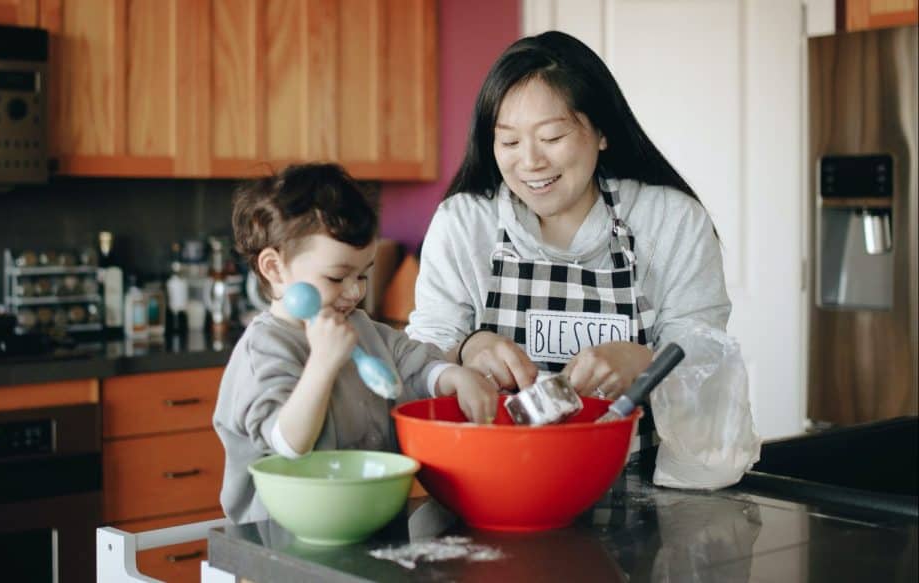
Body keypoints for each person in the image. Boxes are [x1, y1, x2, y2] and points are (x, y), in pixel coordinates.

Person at [406, 31, 730, 426]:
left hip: (637, 476)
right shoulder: (464, 223)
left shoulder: (670, 220)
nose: (530, 162)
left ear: (602, 131)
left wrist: (644, 360)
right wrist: (467, 348)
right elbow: (418, 359)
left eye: (551, 137)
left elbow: (708, 357)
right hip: (496, 474)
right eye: (509, 142)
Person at [214, 162, 498, 524]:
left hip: (369, 519)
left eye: (363, 275)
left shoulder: (362, 327)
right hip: (283, 539)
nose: (354, 292)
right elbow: (287, 443)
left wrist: (452, 377)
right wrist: (322, 365)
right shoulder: (265, 350)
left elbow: (414, 362)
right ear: (274, 268)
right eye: (336, 277)